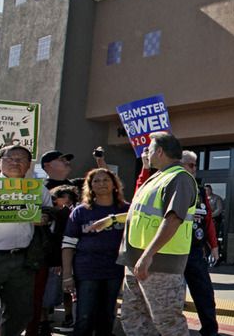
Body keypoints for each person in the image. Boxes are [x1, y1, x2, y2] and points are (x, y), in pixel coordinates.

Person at [118, 132, 197, 336]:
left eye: (150, 149)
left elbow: (173, 219)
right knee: (133, 316)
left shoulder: (180, 178)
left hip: (159, 264)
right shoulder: (158, 176)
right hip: (138, 260)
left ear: (160, 151)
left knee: (167, 322)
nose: (146, 153)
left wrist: (147, 255)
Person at [0, 145, 53, 336]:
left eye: (21, 159)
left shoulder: (38, 189)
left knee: (20, 313)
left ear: (29, 165)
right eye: (10, 158)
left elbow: (49, 213)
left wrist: (45, 218)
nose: (15, 162)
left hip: (22, 260)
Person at [60, 169, 128, 336]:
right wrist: (67, 275)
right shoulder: (81, 211)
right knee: (84, 318)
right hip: (87, 270)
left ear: (114, 184)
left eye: (106, 180)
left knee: (107, 317)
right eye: (96, 181)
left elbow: (140, 218)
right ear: (90, 187)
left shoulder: (126, 209)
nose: (101, 184)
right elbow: (68, 244)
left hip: (115, 270)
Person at [180, 151, 221, 336]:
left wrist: (214, 246)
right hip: (170, 252)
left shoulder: (200, 191)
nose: (194, 169)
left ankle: (210, 331)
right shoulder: (169, 185)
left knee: (205, 293)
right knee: (170, 298)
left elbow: (208, 220)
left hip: (195, 251)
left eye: (195, 165)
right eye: (190, 165)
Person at [44, 185, 79, 333]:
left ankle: (68, 317)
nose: (58, 200)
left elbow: (60, 238)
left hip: (66, 259)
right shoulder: (55, 213)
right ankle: (52, 319)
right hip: (57, 259)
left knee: (67, 291)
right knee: (52, 293)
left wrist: (58, 261)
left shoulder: (67, 214)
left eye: (62, 197)